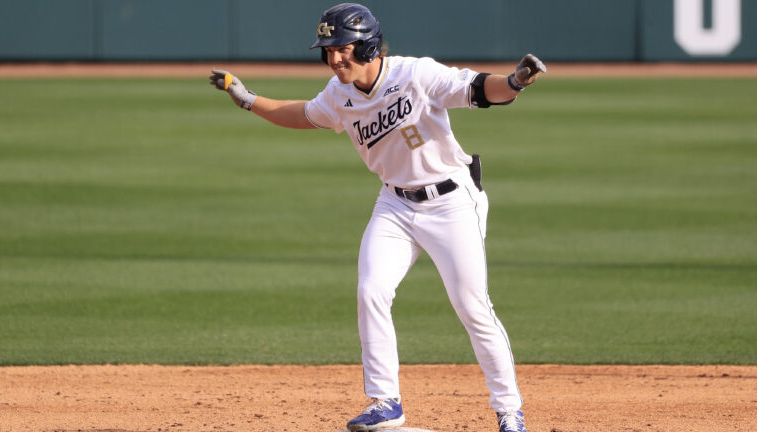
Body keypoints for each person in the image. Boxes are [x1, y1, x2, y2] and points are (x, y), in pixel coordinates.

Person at [209, 3, 546, 431]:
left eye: (342, 48)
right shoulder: (338, 95)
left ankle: (509, 410)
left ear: (368, 44)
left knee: (472, 306)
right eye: (327, 51)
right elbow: (302, 114)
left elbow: (479, 90)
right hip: (395, 205)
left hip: (450, 202)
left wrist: (515, 81)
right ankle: (386, 401)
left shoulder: (414, 74)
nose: (334, 59)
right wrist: (248, 99)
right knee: (371, 289)